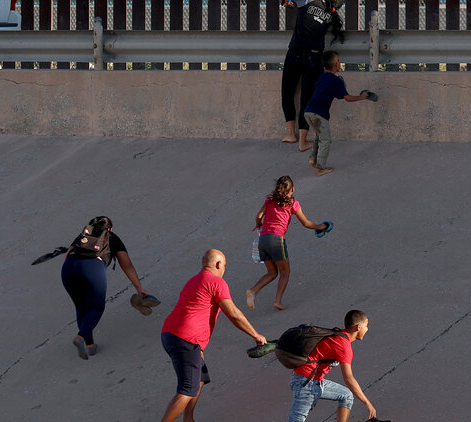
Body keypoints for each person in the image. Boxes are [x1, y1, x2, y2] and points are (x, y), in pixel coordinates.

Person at [160, 249, 266, 422]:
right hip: (185, 338)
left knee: (200, 378)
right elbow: (233, 314)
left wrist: (199, 347)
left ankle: (189, 419)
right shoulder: (216, 282)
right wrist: (255, 334)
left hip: (172, 335)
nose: (224, 269)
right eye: (224, 266)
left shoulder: (194, 280)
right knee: (187, 388)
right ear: (218, 264)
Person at [60, 216, 151, 360]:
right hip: (92, 268)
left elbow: (66, 256)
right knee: (96, 308)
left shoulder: (83, 236)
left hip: (69, 268)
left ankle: (89, 346)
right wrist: (139, 288)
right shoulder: (111, 237)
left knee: (81, 307)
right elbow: (127, 265)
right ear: (109, 229)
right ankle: (81, 337)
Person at [279, 0, 348, 152]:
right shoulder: (332, 16)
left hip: (295, 53)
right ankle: (303, 141)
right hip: (315, 57)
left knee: (287, 92)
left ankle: (291, 134)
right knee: (308, 99)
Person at [246, 175, 330, 311]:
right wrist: (320, 226)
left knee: (272, 273)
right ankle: (277, 301)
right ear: (293, 190)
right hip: (277, 240)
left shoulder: (269, 200)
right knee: (285, 272)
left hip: (263, 240)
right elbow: (306, 223)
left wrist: (259, 224)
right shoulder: (293, 204)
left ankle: (253, 290)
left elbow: (258, 216)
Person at [287, 310, 378, 422]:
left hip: (312, 381)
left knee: (346, 396)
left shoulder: (339, 335)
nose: (367, 329)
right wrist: (367, 403)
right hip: (306, 383)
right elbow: (349, 378)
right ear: (358, 327)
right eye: (366, 326)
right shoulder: (343, 345)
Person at [304, 51, 374, 177]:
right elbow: (346, 98)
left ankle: (313, 158)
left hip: (308, 111)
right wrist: (361, 97)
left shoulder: (321, 77)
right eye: (339, 61)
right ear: (336, 64)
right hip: (320, 114)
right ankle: (320, 168)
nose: (340, 63)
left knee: (319, 137)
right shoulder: (336, 81)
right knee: (326, 140)